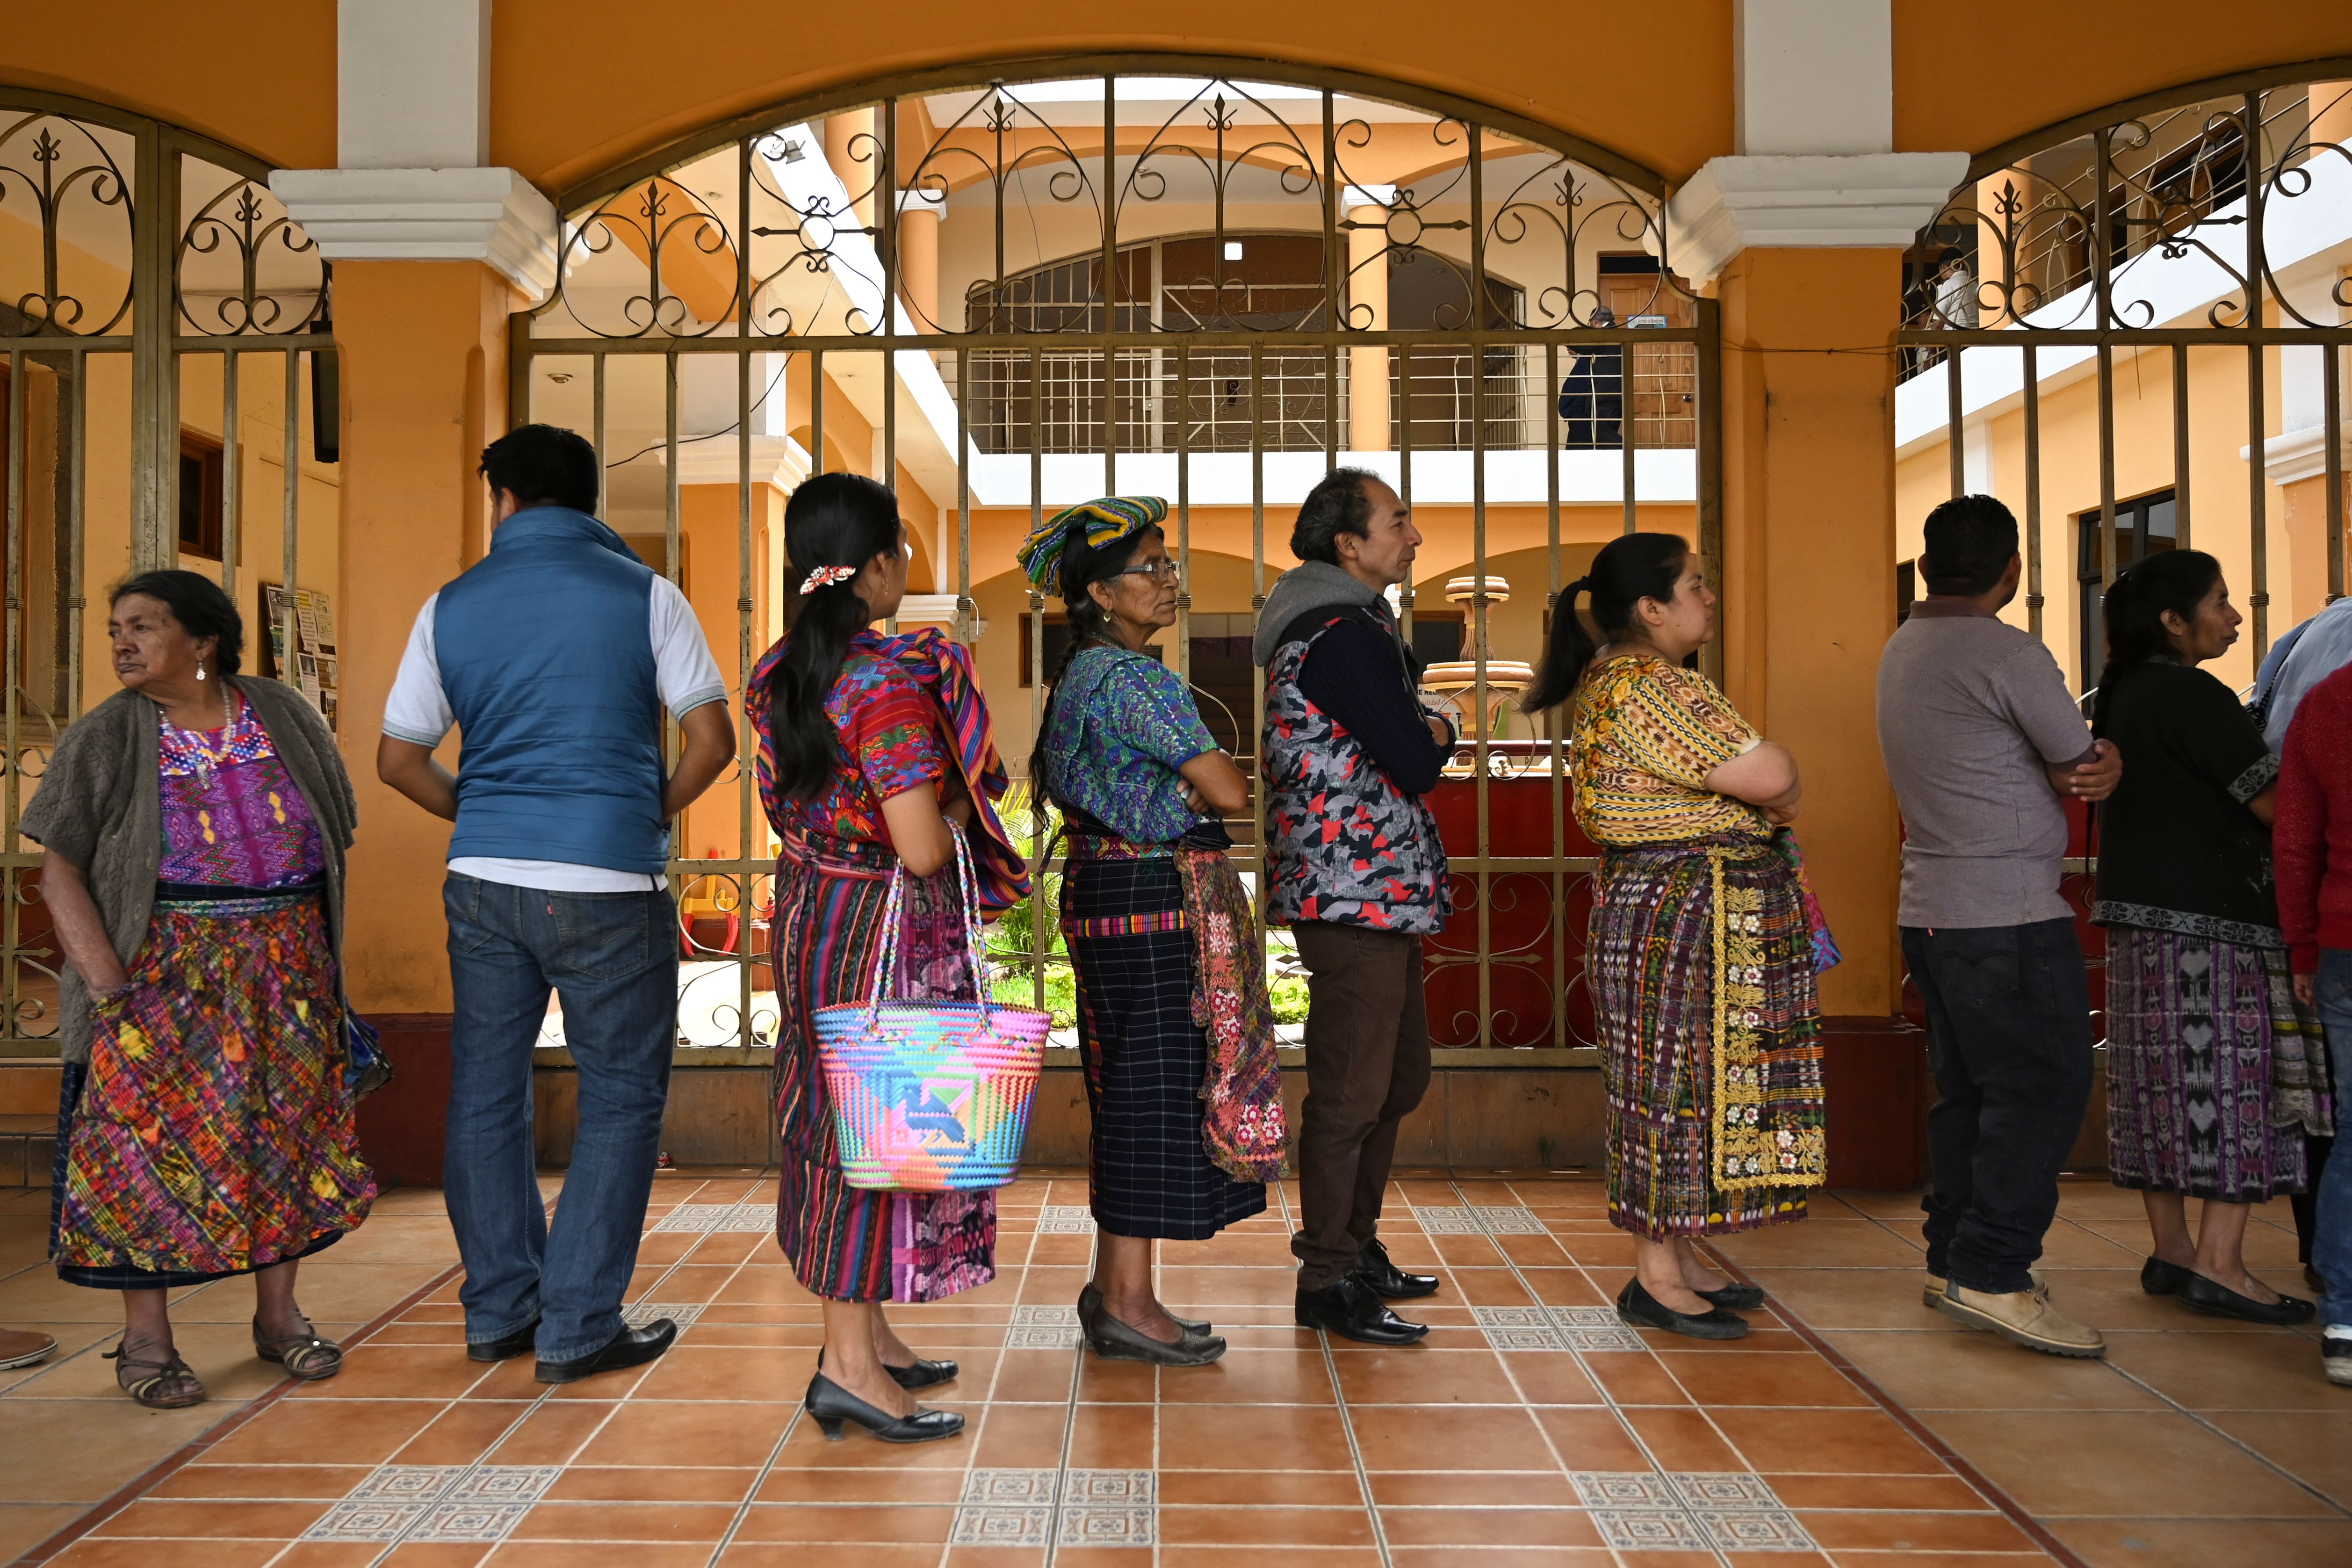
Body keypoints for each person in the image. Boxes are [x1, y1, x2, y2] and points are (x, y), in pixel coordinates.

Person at [377, 424, 733, 1385]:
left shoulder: (449, 605)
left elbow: (399, 758)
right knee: (620, 1096)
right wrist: (643, 811)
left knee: (484, 1093)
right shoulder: (646, 594)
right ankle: (577, 1321)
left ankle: (499, 1310)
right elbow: (710, 740)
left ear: (501, 496)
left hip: (485, 880)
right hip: (611, 881)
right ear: (589, 500)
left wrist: (488, 811)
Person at [26, 571, 372, 1407]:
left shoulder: (282, 713)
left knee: (280, 1134)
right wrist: (107, 979)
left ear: (204, 640)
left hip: (285, 967)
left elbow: (337, 823)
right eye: (117, 628)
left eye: (143, 626)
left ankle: (280, 1319)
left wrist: (313, 962)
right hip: (160, 973)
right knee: (144, 1150)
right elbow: (59, 867)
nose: (122, 642)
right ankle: (147, 1340)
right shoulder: (107, 734)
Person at [750, 470, 1030, 1443]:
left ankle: (868, 1335)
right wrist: (964, 797)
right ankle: (850, 1365)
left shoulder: (780, 665)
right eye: (900, 552)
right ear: (875, 568)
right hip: (877, 921)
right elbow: (917, 844)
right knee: (867, 1133)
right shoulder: (885, 681)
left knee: (835, 1117)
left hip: (811, 908)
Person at [1524, 533, 1825, 1341]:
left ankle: (1681, 1256)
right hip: (1679, 909)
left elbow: (1766, 781)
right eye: (1696, 584)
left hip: (1683, 904)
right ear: (1651, 609)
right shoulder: (1646, 683)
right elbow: (1771, 777)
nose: (1710, 595)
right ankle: (1656, 1274)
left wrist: (1768, 787)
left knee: (1691, 1079)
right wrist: (1772, 786)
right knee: (1670, 1083)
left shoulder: (1648, 681)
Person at [1023, 496, 1281, 1368]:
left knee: (1126, 1085)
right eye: (1152, 569)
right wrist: (1201, 785)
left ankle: (1119, 1290)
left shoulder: (1083, 678)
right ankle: (1128, 1300)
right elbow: (1231, 790)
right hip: (1152, 897)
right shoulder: (1135, 680)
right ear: (1100, 591)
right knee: (1150, 1093)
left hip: (1106, 889)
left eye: (1171, 566)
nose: (1170, 581)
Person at [1878, 493, 2121, 1358]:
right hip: (2007, 913)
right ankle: (1994, 1268)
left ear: (1928, 561)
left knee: (1973, 1089)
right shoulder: (2006, 650)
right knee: (2045, 1085)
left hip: (1933, 910)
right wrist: (2109, 758)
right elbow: (2080, 764)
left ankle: (1955, 1254)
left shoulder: (1904, 645)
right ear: (2012, 570)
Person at [2090, 550, 2325, 1323]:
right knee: (2241, 1089)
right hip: (2218, 927)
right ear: (2173, 619)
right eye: (2219, 603)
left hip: (2137, 922)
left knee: (2160, 1087)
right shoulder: (2194, 694)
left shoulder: (2122, 693)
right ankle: (2224, 1264)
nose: (2233, 616)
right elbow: (2270, 804)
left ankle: (2174, 1248)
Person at [1256, 467, 1454, 1346]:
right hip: (1351, 892)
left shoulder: (1354, 624)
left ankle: (1357, 1246)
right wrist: (1441, 722)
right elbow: (1413, 758)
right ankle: (1328, 1273)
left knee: (1397, 1076)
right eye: (1399, 520)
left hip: (1377, 892)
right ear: (1349, 544)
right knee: (1350, 1088)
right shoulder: (1337, 632)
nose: (1413, 537)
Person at [2273, 660, 2352, 1384]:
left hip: (2341, 943)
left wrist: (2301, 942)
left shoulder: (2326, 701)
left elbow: (2295, 839)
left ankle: (2344, 1318)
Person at [1558, 307, 1623, 449]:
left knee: (1603, 434)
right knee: (1602, 433)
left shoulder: (1606, 334)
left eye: (1590, 324)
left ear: (1594, 321)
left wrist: (1566, 335)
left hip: (1606, 395)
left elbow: (1581, 345)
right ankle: (1625, 456)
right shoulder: (1613, 333)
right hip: (1611, 395)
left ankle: (1629, 454)